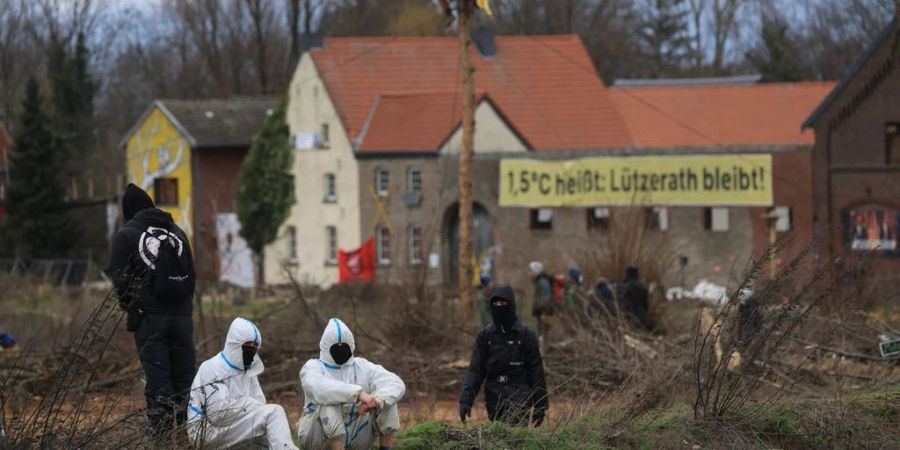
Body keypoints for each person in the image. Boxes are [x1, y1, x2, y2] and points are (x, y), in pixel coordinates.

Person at [109, 183, 196, 439]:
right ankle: (188, 436)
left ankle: (162, 439)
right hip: (183, 318)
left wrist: (134, 311)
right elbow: (192, 276)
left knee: (159, 381)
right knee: (185, 379)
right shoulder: (178, 232)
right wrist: (182, 310)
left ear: (129, 212)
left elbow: (121, 282)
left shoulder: (125, 236)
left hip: (150, 318)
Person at [187, 318, 298, 449]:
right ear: (235, 345)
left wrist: (252, 407)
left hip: (229, 429)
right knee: (274, 412)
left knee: (270, 436)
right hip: (206, 432)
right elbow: (218, 414)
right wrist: (249, 403)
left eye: (255, 348)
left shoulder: (247, 371)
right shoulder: (213, 368)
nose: (251, 353)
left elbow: (260, 404)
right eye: (248, 348)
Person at [297, 318, 406, 450]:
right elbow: (317, 387)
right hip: (317, 438)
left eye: (344, 345)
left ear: (351, 345)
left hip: (356, 434)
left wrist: (376, 400)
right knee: (329, 403)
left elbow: (395, 383)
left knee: (388, 399)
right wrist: (358, 394)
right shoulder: (313, 367)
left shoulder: (362, 366)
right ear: (326, 346)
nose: (340, 349)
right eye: (336, 346)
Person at [459, 286, 548, 427]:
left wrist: (540, 406)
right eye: (495, 304)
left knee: (517, 441)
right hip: (494, 401)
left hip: (520, 401)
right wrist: (466, 400)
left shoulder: (526, 335)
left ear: (511, 305)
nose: (499, 307)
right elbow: (476, 370)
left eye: (503, 304)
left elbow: (535, 372)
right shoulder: (486, 336)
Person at [528, 261, 554, 344]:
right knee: (542, 335)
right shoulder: (540, 282)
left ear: (536, 271)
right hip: (542, 314)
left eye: (531, 271)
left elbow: (546, 299)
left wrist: (539, 308)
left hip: (544, 314)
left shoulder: (543, 283)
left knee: (543, 335)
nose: (529, 274)